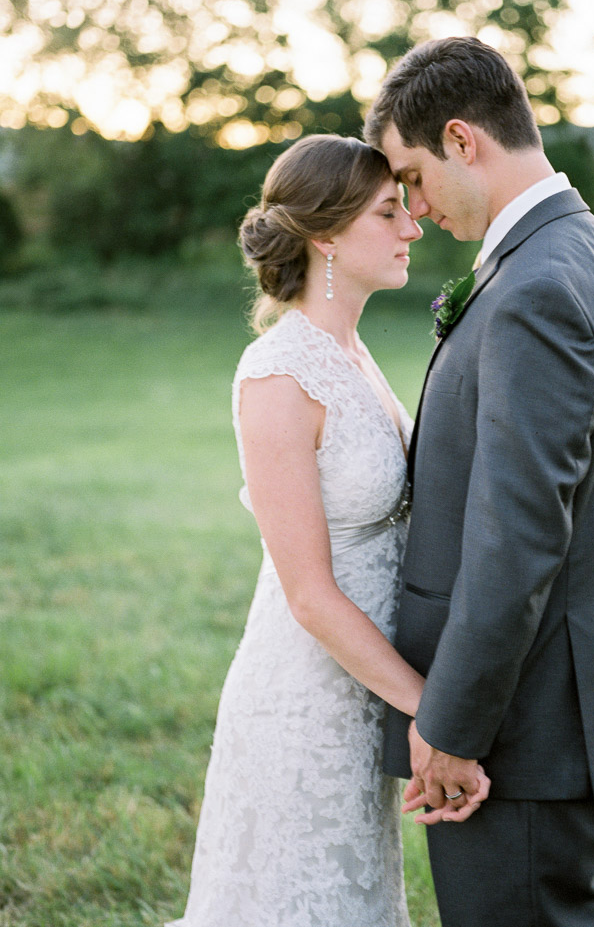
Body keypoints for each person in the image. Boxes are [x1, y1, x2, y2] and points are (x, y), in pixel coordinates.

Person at [364, 36, 594, 927]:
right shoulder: (581, 248)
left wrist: (451, 726)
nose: (412, 206)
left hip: (516, 725)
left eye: (411, 175)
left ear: (460, 139)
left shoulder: (535, 287)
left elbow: (518, 538)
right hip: (551, 708)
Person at [167, 134, 488, 927]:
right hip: (304, 697)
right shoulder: (279, 374)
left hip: (362, 685)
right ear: (325, 235)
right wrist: (430, 711)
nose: (413, 225)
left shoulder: (351, 351)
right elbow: (309, 595)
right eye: (388, 212)